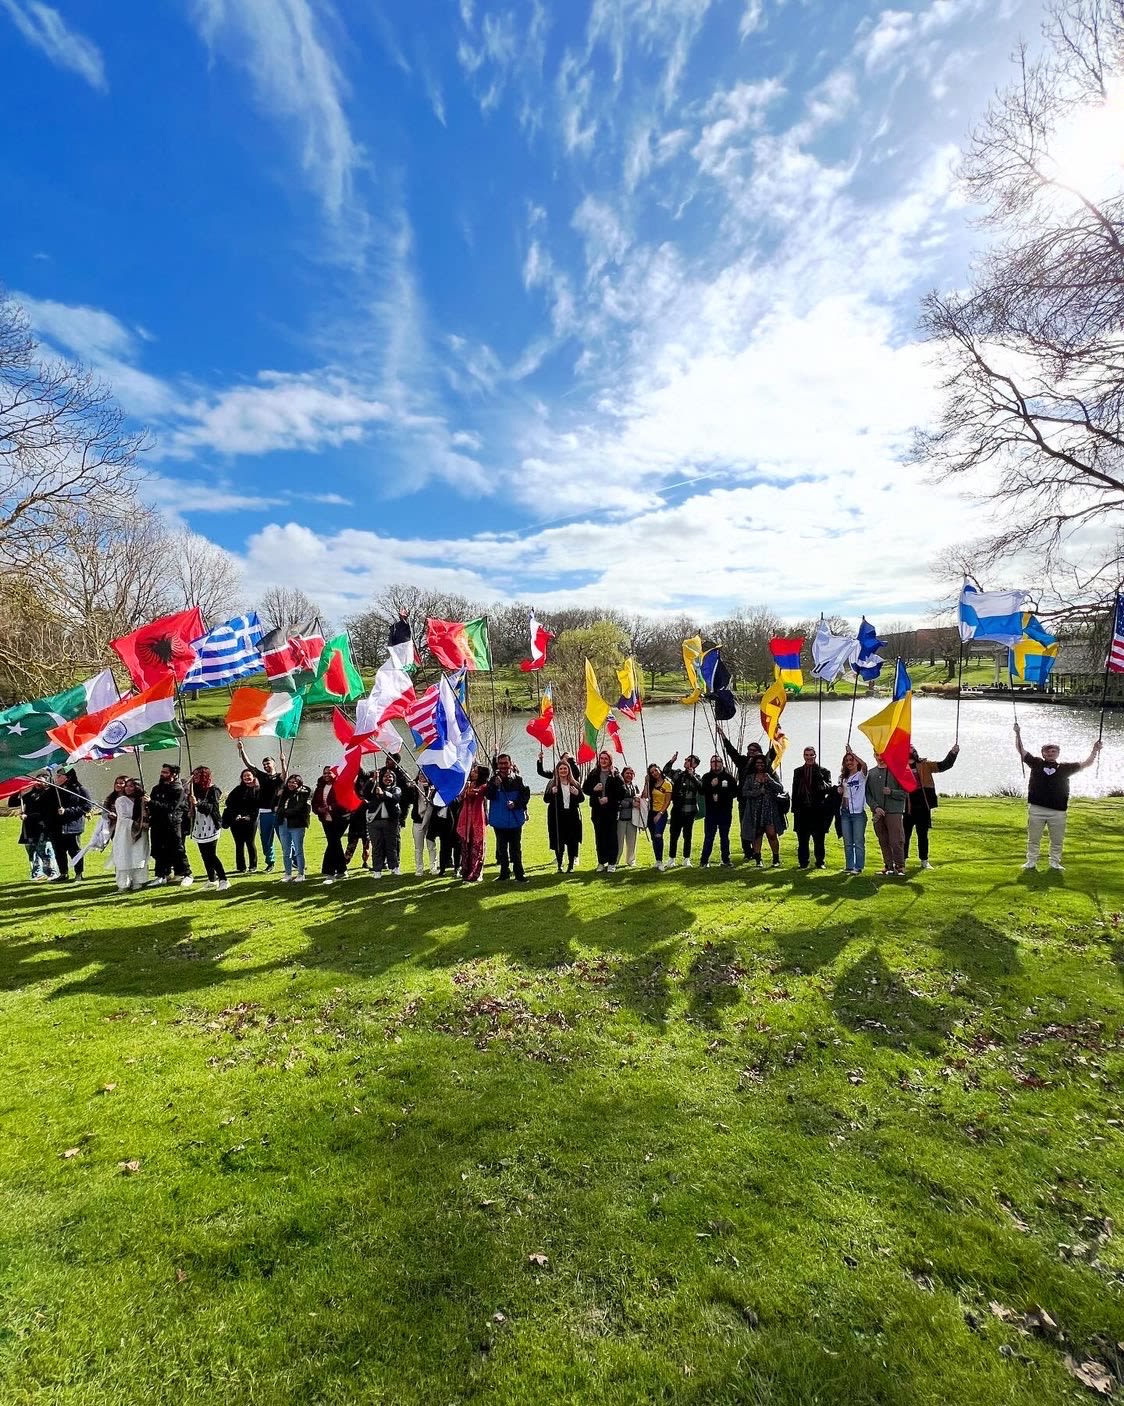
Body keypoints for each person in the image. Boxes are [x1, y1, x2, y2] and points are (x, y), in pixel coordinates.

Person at [1014, 725, 1102, 871]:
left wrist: (1094, 750)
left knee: (1057, 840)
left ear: (1058, 754)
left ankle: (1054, 862)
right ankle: (1031, 861)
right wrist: (1017, 734)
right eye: (1047, 751)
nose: (1050, 753)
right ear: (1043, 753)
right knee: (1033, 839)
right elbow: (1021, 751)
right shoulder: (1036, 763)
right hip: (1037, 808)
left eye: (1053, 751)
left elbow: (1086, 764)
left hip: (1058, 811)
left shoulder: (1065, 768)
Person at [720, 733, 776, 859]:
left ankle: (757, 852)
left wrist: (775, 735)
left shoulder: (762, 763)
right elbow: (731, 751)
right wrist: (723, 737)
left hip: (759, 800)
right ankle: (747, 852)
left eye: (754, 750)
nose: (751, 752)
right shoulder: (742, 761)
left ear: (759, 752)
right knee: (745, 825)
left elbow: (773, 753)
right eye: (749, 750)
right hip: (744, 799)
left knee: (758, 827)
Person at [904, 743, 960, 869]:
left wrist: (953, 753)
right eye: (908, 748)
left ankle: (924, 861)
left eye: (912, 747)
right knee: (905, 835)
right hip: (907, 806)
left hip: (923, 806)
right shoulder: (900, 767)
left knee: (923, 834)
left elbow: (944, 765)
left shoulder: (925, 764)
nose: (911, 749)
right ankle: (902, 861)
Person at [236, 743, 285, 873]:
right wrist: (242, 750)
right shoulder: (262, 776)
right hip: (264, 813)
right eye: (264, 764)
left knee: (284, 838)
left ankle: (294, 861)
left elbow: (285, 775)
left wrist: (283, 761)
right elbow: (249, 765)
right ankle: (270, 862)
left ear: (273, 764)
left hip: (277, 813)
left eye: (268, 764)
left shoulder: (280, 776)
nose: (266, 766)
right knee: (266, 840)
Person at [486, 754, 531, 882]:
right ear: (498, 765)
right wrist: (495, 785)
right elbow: (489, 795)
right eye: (501, 764)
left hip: (515, 820)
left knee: (515, 848)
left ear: (510, 764)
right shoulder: (493, 780)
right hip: (499, 821)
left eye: (506, 763)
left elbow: (525, 796)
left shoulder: (518, 779)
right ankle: (504, 873)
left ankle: (519, 873)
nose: (503, 766)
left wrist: (515, 804)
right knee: (501, 849)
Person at [148, 763, 193, 887]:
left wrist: (151, 802)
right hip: (157, 824)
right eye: (162, 772)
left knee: (177, 849)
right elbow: (153, 807)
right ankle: (161, 875)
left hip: (172, 824)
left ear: (173, 774)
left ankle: (187, 874)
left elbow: (171, 808)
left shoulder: (178, 790)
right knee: (158, 850)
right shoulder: (156, 789)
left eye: (165, 772)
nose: (162, 774)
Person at [790, 746, 834, 869]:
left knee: (819, 838)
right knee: (802, 839)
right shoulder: (797, 771)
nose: (809, 757)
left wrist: (819, 777)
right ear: (803, 756)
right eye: (806, 755)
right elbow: (795, 790)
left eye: (811, 755)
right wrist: (794, 809)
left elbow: (828, 789)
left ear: (815, 756)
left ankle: (820, 862)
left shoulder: (824, 771)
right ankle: (803, 862)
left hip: (817, 810)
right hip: (802, 810)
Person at [866, 754, 908, 876]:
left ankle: (900, 866)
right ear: (874, 755)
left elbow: (905, 793)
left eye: (883, 754)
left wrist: (891, 792)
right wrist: (875, 807)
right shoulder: (871, 773)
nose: (880, 757)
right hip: (878, 812)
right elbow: (867, 794)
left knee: (896, 840)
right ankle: (888, 866)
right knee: (883, 840)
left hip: (894, 811)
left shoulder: (897, 771)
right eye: (877, 754)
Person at [188, 766, 229, 891]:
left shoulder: (214, 789)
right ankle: (212, 879)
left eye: (196, 775)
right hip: (199, 825)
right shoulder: (195, 789)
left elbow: (211, 807)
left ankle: (223, 879)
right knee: (204, 854)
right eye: (193, 775)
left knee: (211, 855)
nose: (194, 777)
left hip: (211, 824)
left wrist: (197, 804)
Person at [743, 754, 787, 867]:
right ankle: (758, 859)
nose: (760, 765)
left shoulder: (771, 775)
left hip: (769, 810)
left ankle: (776, 858)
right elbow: (744, 792)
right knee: (757, 835)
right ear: (754, 764)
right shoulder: (750, 777)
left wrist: (770, 780)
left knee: (772, 834)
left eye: (762, 763)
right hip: (754, 811)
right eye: (758, 763)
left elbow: (780, 789)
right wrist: (758, 792)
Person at [11, 775, 57, 880]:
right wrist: (17, 791)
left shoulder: (49, 795)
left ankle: (52, 872)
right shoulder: (30, 795)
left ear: (46, 783)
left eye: (41, 781)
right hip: (29, 828)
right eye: (36, 781)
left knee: (45, 851)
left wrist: (28, 816)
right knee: (32, 851)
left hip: (42, 828)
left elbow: (45, 812)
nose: (38, 783)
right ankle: (36, 873)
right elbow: (12, 803)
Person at [582, 750, 621, 872]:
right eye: (601, 758)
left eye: (606, 759)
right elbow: (585, 788)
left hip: (611, 811)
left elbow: (622, 792)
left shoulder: (615, 774)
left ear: (610, 760)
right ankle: (601, 862)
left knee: (611, 837)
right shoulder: (594, 773)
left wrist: (609, 798)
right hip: (597, 811)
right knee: (599, 837)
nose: (603, 761)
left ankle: (612, 863)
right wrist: (594, 790)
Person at [364, 765, 405, 877]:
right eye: (385, 776)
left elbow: (396, 798)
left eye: (390, 776)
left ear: (394, 779)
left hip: (390, 822)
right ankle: (377, 869)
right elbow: (366, 794)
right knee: (377, 846)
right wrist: (372, 780)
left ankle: (394, 867)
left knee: (391, 846)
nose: (387, 778)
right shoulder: (375, 787)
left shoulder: (396, 789)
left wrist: (384, 794)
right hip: (374, 822)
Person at [51, 768, 91, 881]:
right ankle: (63, 873)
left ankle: (79, 873)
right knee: (59, 852)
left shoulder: (80, 790)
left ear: (68, 777)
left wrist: (67, 811)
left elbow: (87, 806)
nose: (56, 778)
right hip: (57, 826)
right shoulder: (54, 790)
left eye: (59, 776)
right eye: (57, 776)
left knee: (75, 851)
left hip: (73, 826)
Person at [543, 758, 583, 872]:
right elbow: (546, 799)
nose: (563, 771)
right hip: (557, 816)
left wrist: (577, 793)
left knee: (572, 841)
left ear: (568, 770)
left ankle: (571, 865)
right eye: (561, 769)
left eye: (565, 768)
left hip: (572, 816)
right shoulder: (552, 783)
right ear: (557, 770)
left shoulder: (574, 783)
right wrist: (552, 792)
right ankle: (560, 864)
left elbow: (582, 799)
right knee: (559, 840)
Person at [664, 752, 702, 867]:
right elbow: (665, 771)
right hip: (677, 810)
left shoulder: (697, 777)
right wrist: (672, 761)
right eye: (685, 759)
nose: (686, 761)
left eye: (689, 760)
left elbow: (701, 789)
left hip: (690, 811)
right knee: (674, 835)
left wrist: (692, 776)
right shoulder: (678, 774)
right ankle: (672, 859)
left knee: (687, 835)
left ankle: (686, 859)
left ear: (695, 765)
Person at [112, 778, 150, 892]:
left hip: (140, 833)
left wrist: (146, 808)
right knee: (125, 856)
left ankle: (139, 881)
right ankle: (123, 883)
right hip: (125, 832)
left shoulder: (142, 800)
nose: (127, 788)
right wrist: (138, 824)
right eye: (127, 786)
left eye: (131, 786)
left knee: (138, 855)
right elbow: (123, 817)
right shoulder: (121, 800)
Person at [314, 766, 351, 885]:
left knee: (333, 843)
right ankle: (342, 870)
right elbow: (315, 802)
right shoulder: (320, 787)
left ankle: (329, 872)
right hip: (326, 820)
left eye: (329, 773)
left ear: (335, 774)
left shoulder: (340, 785)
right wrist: (318, 809)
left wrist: (330, 807)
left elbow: (343, 801)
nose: (327, 775)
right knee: (335, 843)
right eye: (325, 773)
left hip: (341, 819)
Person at [698, 753, 737, 867]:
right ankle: (704, 861)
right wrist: (711, 785)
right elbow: (702, 791)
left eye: (717, 762)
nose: (715, 764)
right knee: (709, 837)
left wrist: (721, 794)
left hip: (725, 812)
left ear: (722, 763)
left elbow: (735, 793)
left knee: (724, 837)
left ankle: (725, 860)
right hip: (711, 812)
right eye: (712, 762)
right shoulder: (706, 777)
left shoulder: (729, 777)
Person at [222, 769, 262, 875]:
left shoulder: (257, 790)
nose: (246, 778)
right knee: (239, 844)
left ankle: (253, 866)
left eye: (249, 776)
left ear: (253, 777)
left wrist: (250, 816)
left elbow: (257, 806)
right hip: (236, 821)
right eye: (244, 776)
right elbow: (229, 803)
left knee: (250, 843)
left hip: (250, 821)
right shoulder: (237, 789)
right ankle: (241, 867)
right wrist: (236, 815)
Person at [456, 764, 490, 882]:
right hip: (466, 819)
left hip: (477, 819)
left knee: (477, 846)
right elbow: (459, 798)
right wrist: (465, 790)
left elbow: (479, 794)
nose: (472, 773)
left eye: (475, 772)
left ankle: (476, 872)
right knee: (466, 846)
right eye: (473, 771)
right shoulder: (468, 785)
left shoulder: (484, 786)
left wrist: (472, 792)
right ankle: (466, 870)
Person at [275, 773, 311, 881]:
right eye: (289, 782)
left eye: (294, 782)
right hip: (283, 824)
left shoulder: (303, 793)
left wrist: (282, 811)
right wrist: (278, 795)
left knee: (298, 850)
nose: (291, 784)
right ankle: (288, 874)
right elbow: (274, 806)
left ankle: (301, 874)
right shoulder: (284, 793)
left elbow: (298, 809)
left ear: (299, 783)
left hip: (297, 824)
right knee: (286, 851)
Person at [838, 750, 869, 874]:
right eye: (847, 761)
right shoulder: (843, 778)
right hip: (845, 813)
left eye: (851, 760)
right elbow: (842, 794)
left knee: (858, 841)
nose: (849, 763)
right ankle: (849, 866)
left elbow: (865, 765)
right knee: (848, 842)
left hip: (858, 814)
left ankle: (858, 866)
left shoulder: (861, 775)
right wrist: (839, 791)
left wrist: (852, 753)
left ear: (856, 762)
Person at [643, 763, 674, 871]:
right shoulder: (651, 783)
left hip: (661, 813)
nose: (654, 773)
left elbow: (667, 801)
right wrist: (646, 782)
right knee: (653, 837)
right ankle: (657, 860)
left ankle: (661, 861)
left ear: (659, 770)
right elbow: (645, 796)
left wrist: (660, 814)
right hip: (651, 813)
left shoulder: (667, 784)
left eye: (655, 770)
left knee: (658, 835)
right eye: (652, 772)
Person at [614, 765, 642, 871]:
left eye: (631, 773)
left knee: (632, 841)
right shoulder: (619, 786)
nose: (629, 775)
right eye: (627, 773)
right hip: (620, 818)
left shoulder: (635, 787)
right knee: (619, 842)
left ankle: (631, 860)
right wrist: (631, 803)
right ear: (623, 774)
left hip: (632, 818)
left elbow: (639, 799)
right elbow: (618, 800)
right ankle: (615, 861)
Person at [410, 773, 439, 876]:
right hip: (418, 821)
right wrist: (412, 788)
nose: (422, 776)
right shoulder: (414, 788)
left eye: (424, 774)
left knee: (431, 846)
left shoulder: (433, 788)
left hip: (430, 821)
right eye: (420, 774)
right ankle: (419, 869)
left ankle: (433, 867)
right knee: (418, 848)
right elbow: (409, 799)